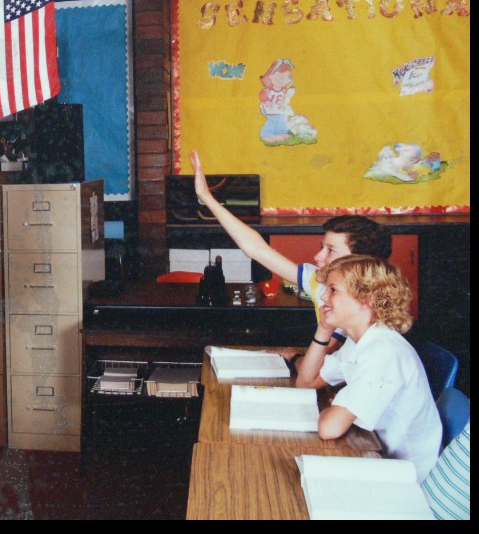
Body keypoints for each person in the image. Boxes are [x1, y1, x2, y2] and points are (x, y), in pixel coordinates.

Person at [188, 150, 392, 350]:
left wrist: (294, 356)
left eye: (331, 250)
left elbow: (320, 366)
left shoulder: (360, 307)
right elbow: (256, 249)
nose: (318, 257)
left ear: (358, 261)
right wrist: (206, 197)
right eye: (322, 248)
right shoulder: (321, 283)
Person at [293, 255, 441, 482]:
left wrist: (340, 406)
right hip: (381, 455)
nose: (324, 297)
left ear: (366, 299)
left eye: (333, 290)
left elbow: (329, 428)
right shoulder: (360, 341)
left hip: (409, 482)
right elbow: (306, 382)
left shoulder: (383, 352)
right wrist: (324, 329)